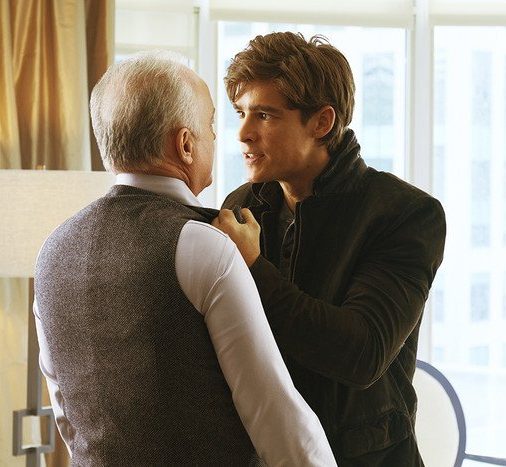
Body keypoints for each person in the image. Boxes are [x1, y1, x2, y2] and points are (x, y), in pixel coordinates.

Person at [33, 51, 336, 466]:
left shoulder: (51, 251)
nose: (221, 137)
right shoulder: (203, 245)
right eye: (210, 125)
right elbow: (273, 413)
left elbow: (67, 415)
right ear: (186, 145)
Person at [213, 32, 446, 466]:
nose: (243, 133)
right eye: (241, 113)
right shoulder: (240, 206)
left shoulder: (406, 213)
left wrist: (253, 267)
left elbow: (361, 353)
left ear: (321, 122)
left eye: (264, 115)